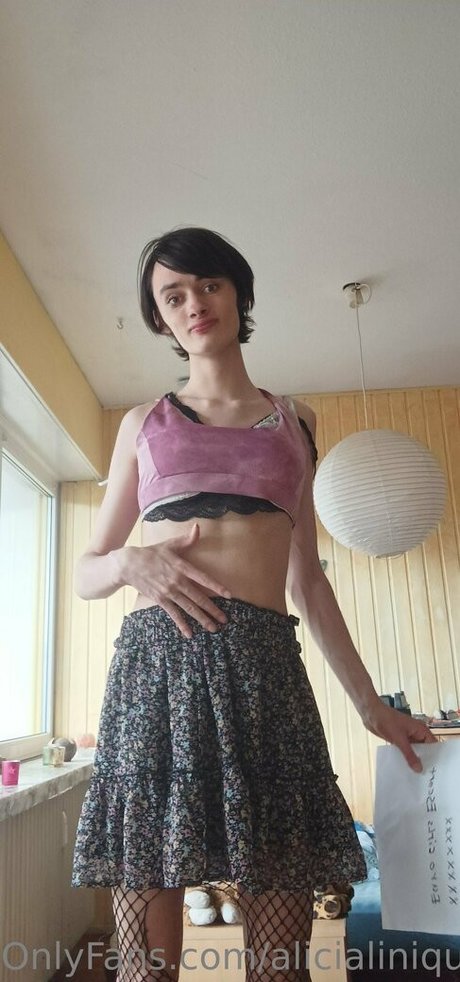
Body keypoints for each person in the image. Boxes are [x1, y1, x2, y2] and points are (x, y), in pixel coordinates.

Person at [71, 227, 436, 982]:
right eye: (173, 295)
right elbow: (86, 572)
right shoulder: (142, 424)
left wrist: (372, 707)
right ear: (161, 318)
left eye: (208, 284)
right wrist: (132, 562)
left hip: (268, 672)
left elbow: (309, 582)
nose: (194, 304)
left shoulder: (296, 421)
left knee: (279, 963)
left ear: (238, 293)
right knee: (145, 963)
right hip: (157, 674)